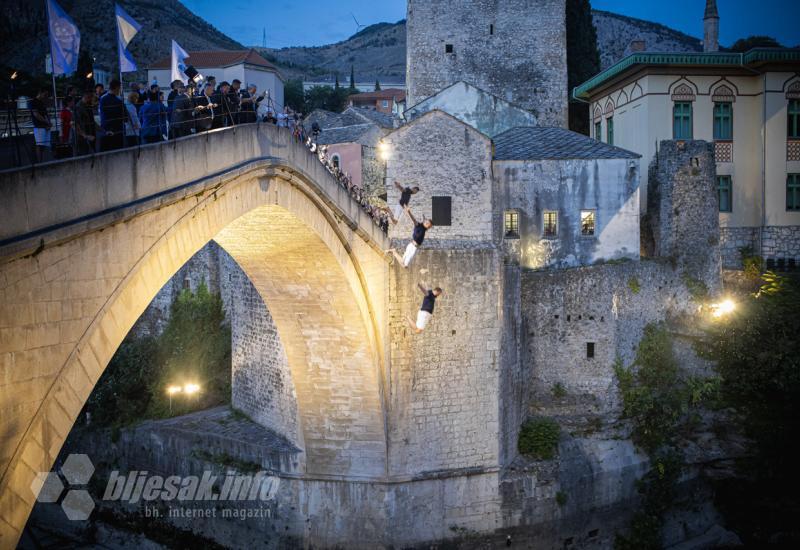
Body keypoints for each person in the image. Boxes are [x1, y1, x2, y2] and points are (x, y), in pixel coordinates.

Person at [99, 79, 127, 151]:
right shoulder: (119, 101)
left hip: (105, 130)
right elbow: (125, 117)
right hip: (117, 130)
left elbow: (102, 115)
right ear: (117, 87)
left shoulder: (102, 99)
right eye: (119, 88)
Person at [29, 89, 52, 161]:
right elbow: (36, 114)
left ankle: (42, 161)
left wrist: (49, 123)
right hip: (39, 126)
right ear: (40, 93)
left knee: (44, 145)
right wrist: (47, 122)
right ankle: (39, 162)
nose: (46, 96)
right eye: (45, 94)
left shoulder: (41, 102)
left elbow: (45, 113)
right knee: (39, 144)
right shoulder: (34, 102)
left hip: (45, 126)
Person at [74, 89, 99, 155]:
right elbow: (75, 125)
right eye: (92, 98)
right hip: (83, 139)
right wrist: (86, 136)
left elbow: (92, 122)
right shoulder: (78, 107)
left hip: (90, 137)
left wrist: (103, 130)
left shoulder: (88, 106)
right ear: (87, 96)